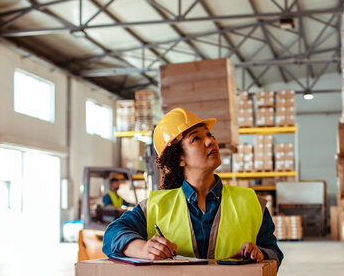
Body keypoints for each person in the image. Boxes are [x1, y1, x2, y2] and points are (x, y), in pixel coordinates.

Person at [102, 107, 283, 266]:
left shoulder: (251, 202)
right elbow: (112, 236)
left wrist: (261, 253)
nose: (210, 141)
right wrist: (143, 249)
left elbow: (274, 253)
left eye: (209, 134)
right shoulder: (155, 207)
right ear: (179, 158)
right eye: (196, 138)